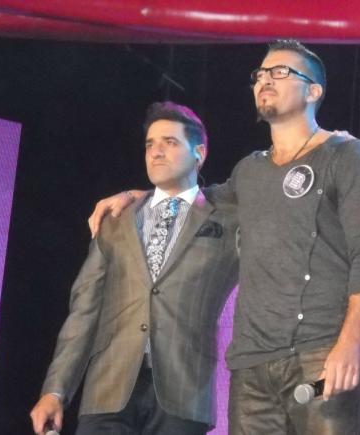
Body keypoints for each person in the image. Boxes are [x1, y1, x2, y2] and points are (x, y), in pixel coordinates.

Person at [89, 40, 360, 435]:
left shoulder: (347, 155)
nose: (265, 80)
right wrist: (137, 195)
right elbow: (199, 201)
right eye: (260, 74)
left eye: (281, 72)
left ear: (313, 91)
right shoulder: (250, 170)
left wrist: (349, 343)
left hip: (321, 354)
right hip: (251, 371)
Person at [30, 101, 239, 435]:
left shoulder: (228, 220)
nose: (156, 152)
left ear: (199, 153)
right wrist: (55, 391)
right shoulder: (116, 221)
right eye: (150, 144)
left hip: (184, 393)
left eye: (170, 142)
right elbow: (84, 312)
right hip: (108, 390)